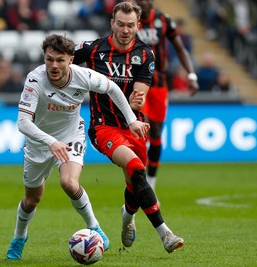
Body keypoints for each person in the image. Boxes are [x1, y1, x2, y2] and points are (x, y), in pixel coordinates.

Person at [5, 33, 150, 260]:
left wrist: (131, 120)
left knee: (68, 182)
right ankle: (19, 237)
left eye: (60, 60)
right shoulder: (35, 80)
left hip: (71, 135)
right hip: (39, 142)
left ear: (71, 59)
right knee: (32, 199)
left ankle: (95, 228)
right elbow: (23, 122)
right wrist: (50, 142)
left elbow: (112, 89)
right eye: (49, 59)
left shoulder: (84, 76)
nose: (54, 65)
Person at [73, 1, 184, 253]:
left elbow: (141, 89)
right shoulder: (93, 49)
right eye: (120, 24)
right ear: (112, 23)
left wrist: (139, 98)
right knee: (135, 167)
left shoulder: (146, 54)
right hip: (103, 127)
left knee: (136, 180)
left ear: (138, 25)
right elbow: (61, 58)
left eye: (130, 25)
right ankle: (165, 234)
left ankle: (128, 216)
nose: (125, 30)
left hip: (134, 127)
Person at [136, 0, 199, 190]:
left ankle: (151, 182)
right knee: (141, 129)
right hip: (137, 85)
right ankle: (137, 180)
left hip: (159, 85)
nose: (143, 2)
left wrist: (191, 74)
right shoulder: (130, 20)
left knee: (155, 133)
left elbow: (180, 49)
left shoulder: (164, 21)